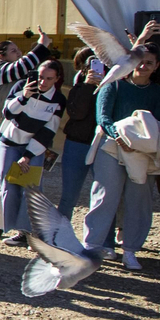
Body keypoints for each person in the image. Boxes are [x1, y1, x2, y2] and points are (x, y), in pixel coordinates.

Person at [81, 40, 160, 271]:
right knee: (105, 196)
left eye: (149, 63)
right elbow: (103, 117)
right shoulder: (114, 84)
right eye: (140, 61)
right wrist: (120, 136)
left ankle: (130, 251)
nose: (142, 66)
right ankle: (90, 247)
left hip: (143, 151)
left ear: (156, 66)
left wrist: (140, 143)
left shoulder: (157, 91)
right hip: (112, 146)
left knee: (139, 201)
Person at [0, 28, 51, 239]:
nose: (19, 53)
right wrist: (42, 45)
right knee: (0, 178)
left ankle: (19, 227)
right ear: (0, 54)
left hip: (21, 132)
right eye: (14, 51)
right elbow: (21, 67)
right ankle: (0, 224)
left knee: (22, 178)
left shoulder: (16, 72)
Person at [0, 59, 67, 246]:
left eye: (49, 79)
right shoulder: (22, 86)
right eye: (41, 77)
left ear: (57, 79)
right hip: (9, 142)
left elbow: (48, 131)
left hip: (35, 146)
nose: (43, 82)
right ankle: (19, 232)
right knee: (9, 185)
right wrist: (24, 96)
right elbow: (8, 113)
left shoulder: (58, 99)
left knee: (31, 188)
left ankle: (33, 233)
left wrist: (28, 155)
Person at [57, 47, 104, 219]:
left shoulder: (112, 85)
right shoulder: (79, 86)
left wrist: (103, 86)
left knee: (104, 196)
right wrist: (87, 86)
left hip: (103, 143)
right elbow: (77, 113)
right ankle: (60, 231)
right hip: (77, 142)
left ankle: (101, 233)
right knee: (69, 195)